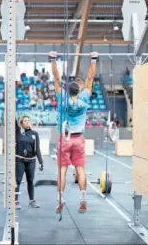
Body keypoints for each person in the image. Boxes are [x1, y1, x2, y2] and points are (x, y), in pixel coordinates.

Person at [50, 51, 98, 213]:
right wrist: (93, 59)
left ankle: (60, 199)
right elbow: (90, 79)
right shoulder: (84, 98)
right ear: (79, 90)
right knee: (80, 169)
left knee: (62, 170)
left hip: (65, 139)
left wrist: (53, 60)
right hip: (78, 139)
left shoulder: (62, 97)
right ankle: (83, 197)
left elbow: (56, 79)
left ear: (68, 90)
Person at [15, 115, 44, 209]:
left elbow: (37, 149)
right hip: (20, 160)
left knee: (30, 181)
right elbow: (13, 121)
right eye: (25, 121)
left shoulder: (34, 134)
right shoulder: (18, 133)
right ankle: (15, 202)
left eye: (28, 120)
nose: (27, 122)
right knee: (18, 181)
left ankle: (31, 201)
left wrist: (41, 162)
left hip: (31, 161)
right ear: (21, 123)